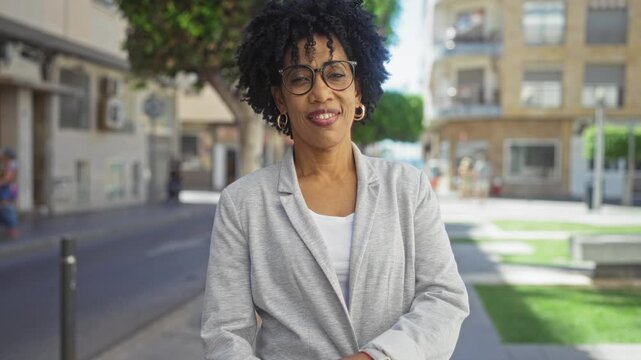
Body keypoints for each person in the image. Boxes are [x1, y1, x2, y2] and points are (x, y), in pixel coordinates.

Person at [201, 1, 469, 359]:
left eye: (336, 73)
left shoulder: (408, 188)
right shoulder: (243, 203)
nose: (321, 93)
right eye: (300, 78)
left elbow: (444, 298)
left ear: (357, 88)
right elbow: (225, 333)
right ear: (280, 98)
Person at [0, 148, 19, 239]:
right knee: (5, 209)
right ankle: (10, 231)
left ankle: (13, 232)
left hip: (8, 191)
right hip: (8, 190)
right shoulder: (8, 164)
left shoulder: (11, 165)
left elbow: (8, 178)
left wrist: (1, 182)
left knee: (7, 208)